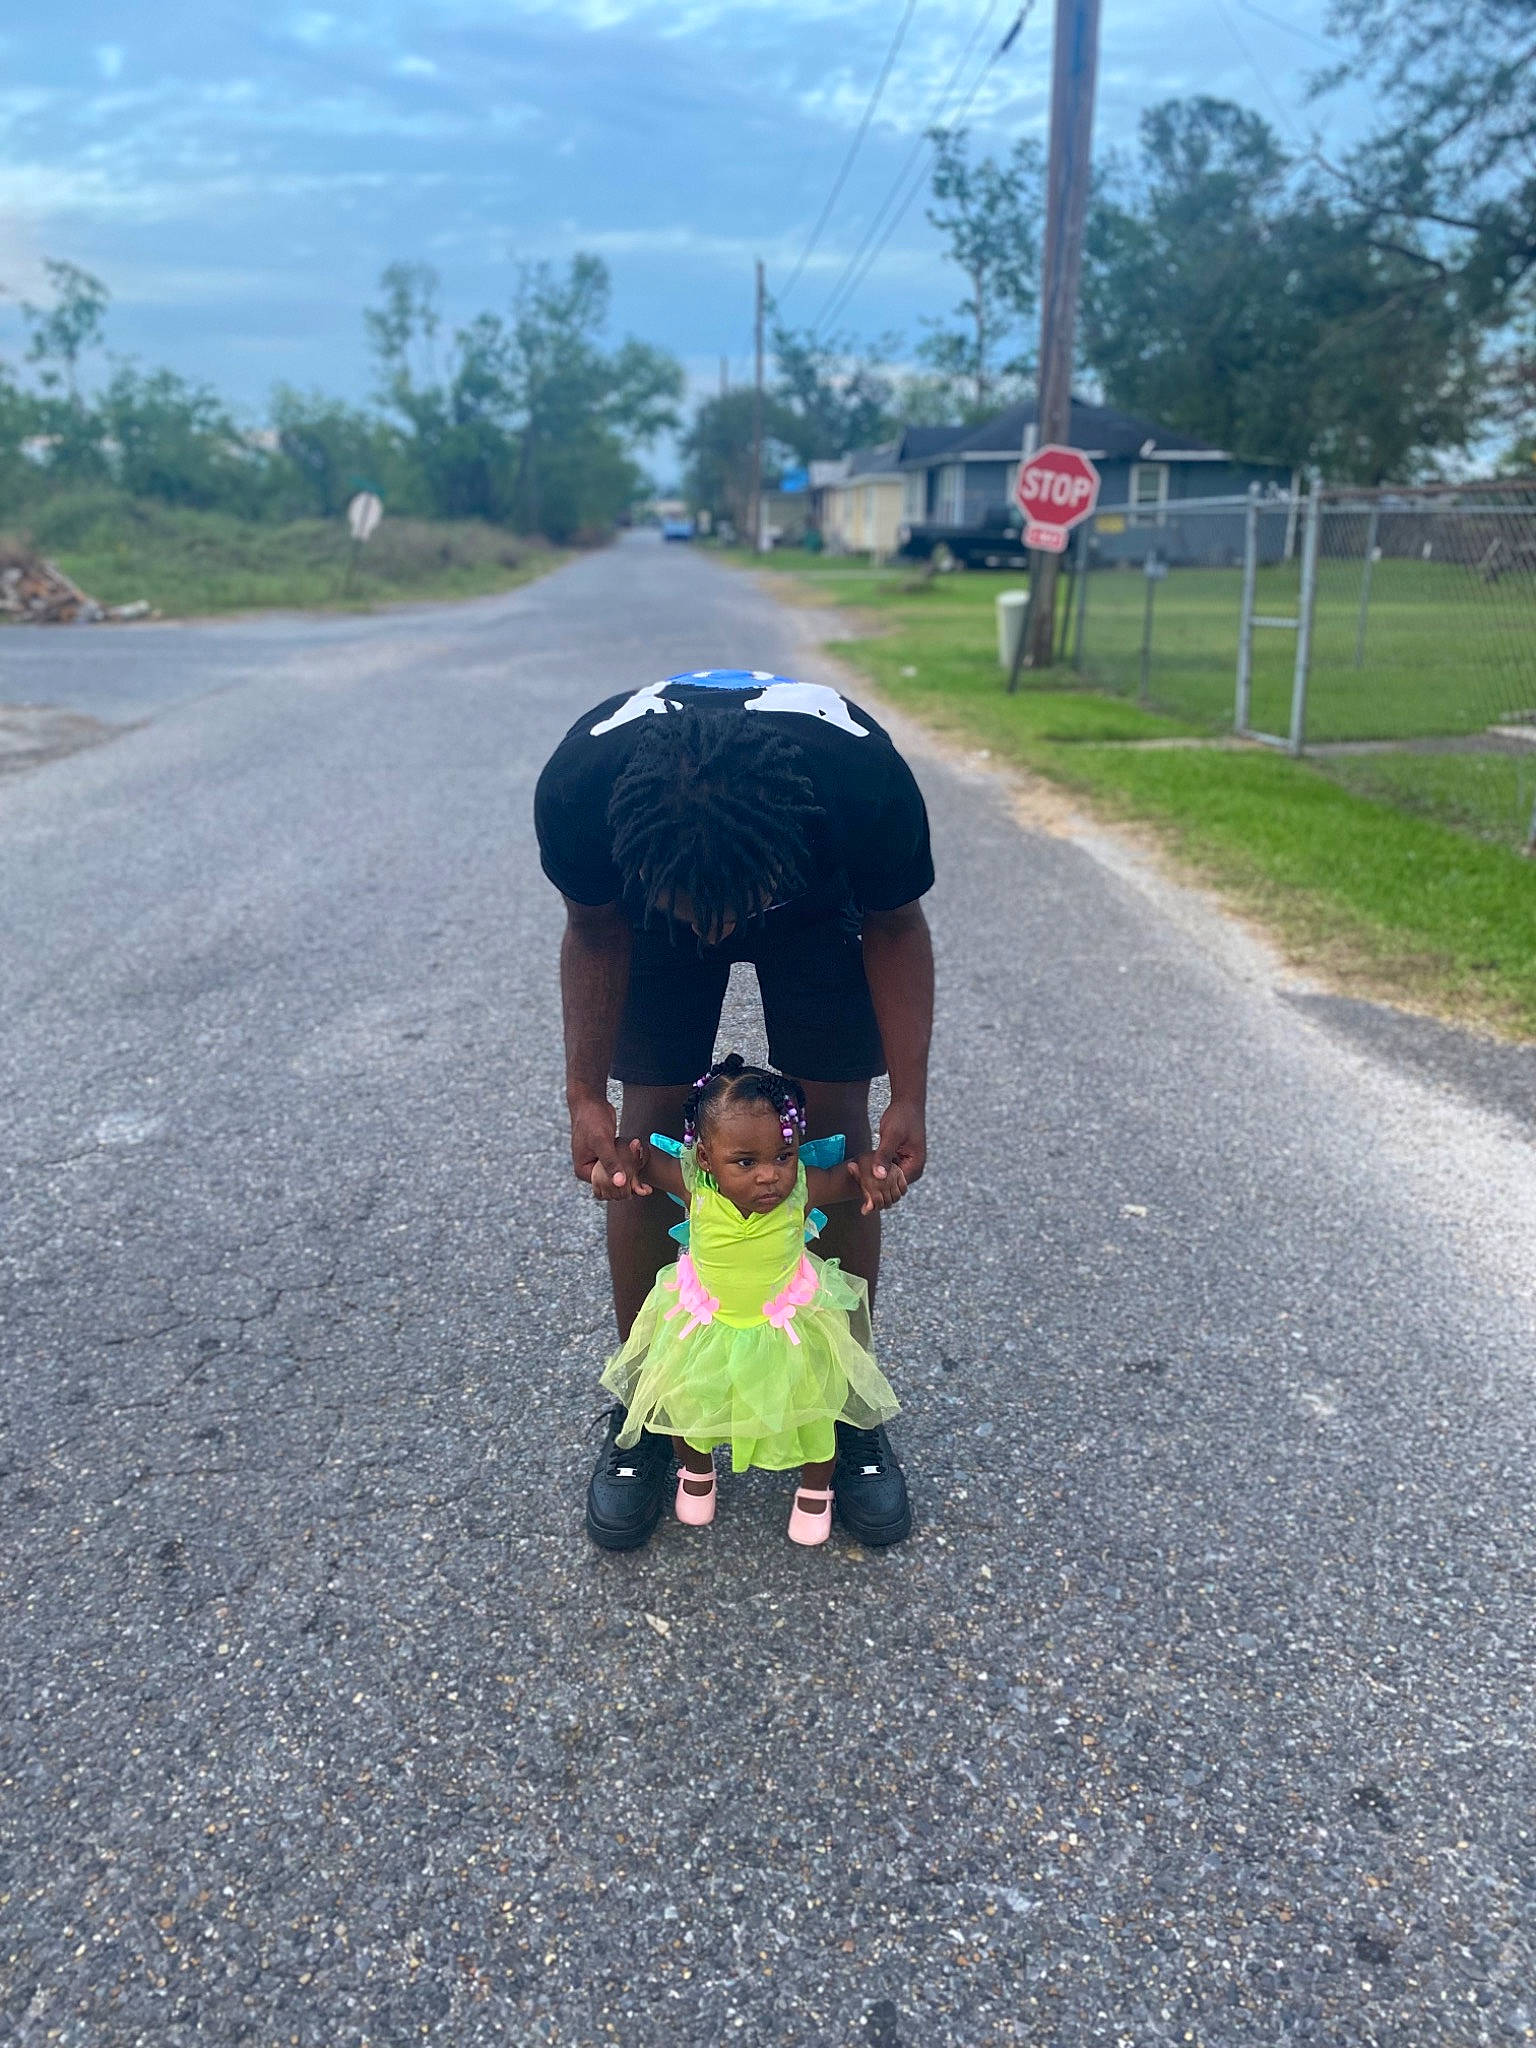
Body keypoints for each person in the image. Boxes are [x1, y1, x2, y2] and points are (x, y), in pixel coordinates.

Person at [533, 667, 935, 1552]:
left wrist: (910, 1093)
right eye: (699, 920)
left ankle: (843, 1403)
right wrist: (580, 1094)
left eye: (733, 919)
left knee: (834, 1135)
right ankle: (654, 1399)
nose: (720, 938)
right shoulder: (581, 795)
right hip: (660, 900)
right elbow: (596, 930)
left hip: (811, 905)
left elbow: (896, 927)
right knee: (644, 1143)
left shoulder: (861, 789)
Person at [601, 1056, 907, 1545]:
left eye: (784, 1156)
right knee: (690, 1405)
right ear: (704, 1159)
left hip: (788, 1324)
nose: (769, 1176)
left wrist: (875, 1176)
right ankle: (695, 1473)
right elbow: (635, 1159)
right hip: (707, 1323)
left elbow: (851, 1178)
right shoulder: (694, 1190)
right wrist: (615, 1166)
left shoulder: (800, 1191)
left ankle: (815, 1489)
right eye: (745, 1162)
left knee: (813, 1407)